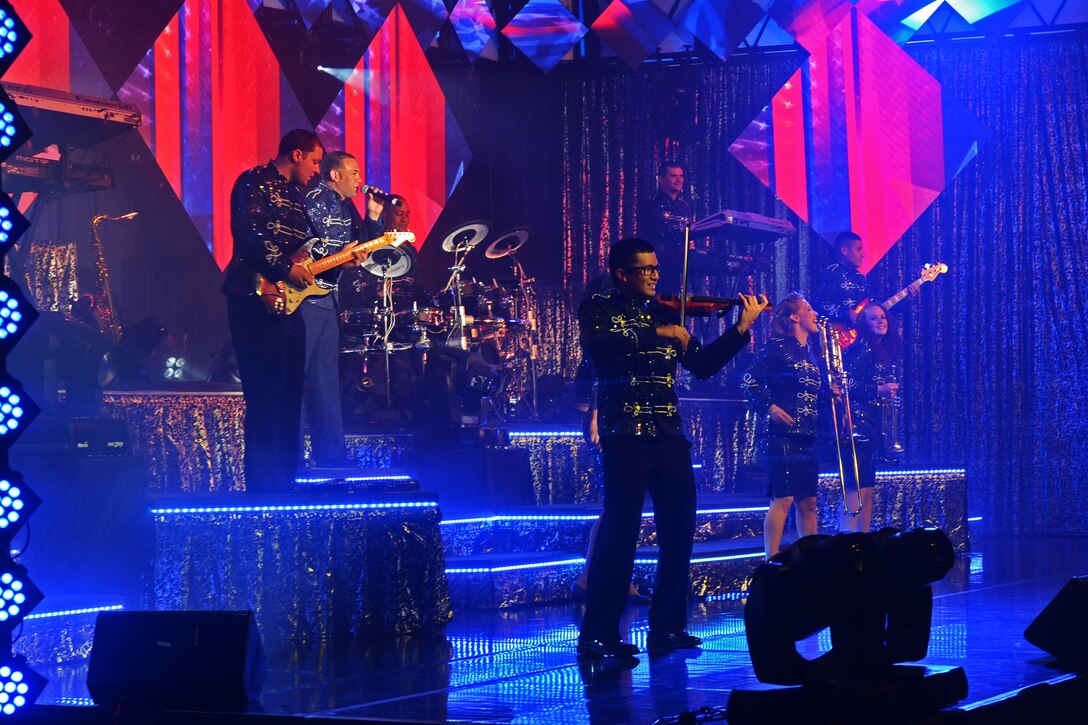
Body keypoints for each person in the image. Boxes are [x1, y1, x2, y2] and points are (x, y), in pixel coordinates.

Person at [577, 237, 767, 659]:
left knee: (679, 532)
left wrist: (740, 329)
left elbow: (702, 365)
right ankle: (599, 634)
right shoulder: (599, 308)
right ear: (621, 273)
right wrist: (656, 332)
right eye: (645, 268)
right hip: (624, 433)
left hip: (668, 434)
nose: (654, 275)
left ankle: (666, 628)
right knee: (620, 536)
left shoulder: (664, 313)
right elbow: (600, 346)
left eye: (656, 267)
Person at [221, 129, 323, 493]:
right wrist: (283, 269)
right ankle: (263, 489)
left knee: (290, 393)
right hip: (255, 296)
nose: (316, 170)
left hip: (288, 305)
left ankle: (285, 482)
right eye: (314, 161)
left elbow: (303, 253)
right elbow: (247, 234)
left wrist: (338, 263)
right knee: (265, 395)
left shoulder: (296, 199)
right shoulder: (253, 182)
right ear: (296, 154)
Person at [300, 151, 385, 466]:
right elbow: (306, 247)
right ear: (334, 174)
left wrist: (374, 218)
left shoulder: (345, 208)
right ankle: (292, 458)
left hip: (329, 299)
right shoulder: (315, 200)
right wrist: (337, 255)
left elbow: (360, 251)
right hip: (306, 298)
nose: (359, 179)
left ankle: (332, 458)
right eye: (353, 172)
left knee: (325, 381)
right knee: (300, 379)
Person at [741, 293, 828, 560]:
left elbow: (809, 393)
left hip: (807, 435)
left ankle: (810, 558)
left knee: (809, 502)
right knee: (783, 498)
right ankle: (771, 560)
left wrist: (829, 392)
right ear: (794, 317)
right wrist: (770, 406)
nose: (815, 313)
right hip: (781, 436)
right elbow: (748, 380)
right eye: (809, 308)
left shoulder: (810, 354)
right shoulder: (776, 348)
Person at [840, 302, 902, 533]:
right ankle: (848, 539)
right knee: (856, 485)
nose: (881, 321)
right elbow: (846, 381)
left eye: (883, 317)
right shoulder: (863, 349)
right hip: (856, 422)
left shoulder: (877, 350)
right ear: (864, 325)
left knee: (867, 485)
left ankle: (862, 538)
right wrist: (879, 390)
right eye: (874, 318)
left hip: (870, 421)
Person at [638, 162, 692, 290]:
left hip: (679, 260)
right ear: (661, 179)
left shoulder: (684, 206)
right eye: (673, 176)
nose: (678, 180)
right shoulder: (652, 203)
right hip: (658, 262)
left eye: (681, 176)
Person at [812, 231, 872, 327]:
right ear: (844, 251)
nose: (862, 255)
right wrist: (846, 313)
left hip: (859, 333)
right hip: (836, 334)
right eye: (858, 250)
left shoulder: (860, 277)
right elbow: (818, 303)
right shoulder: (832, 273)